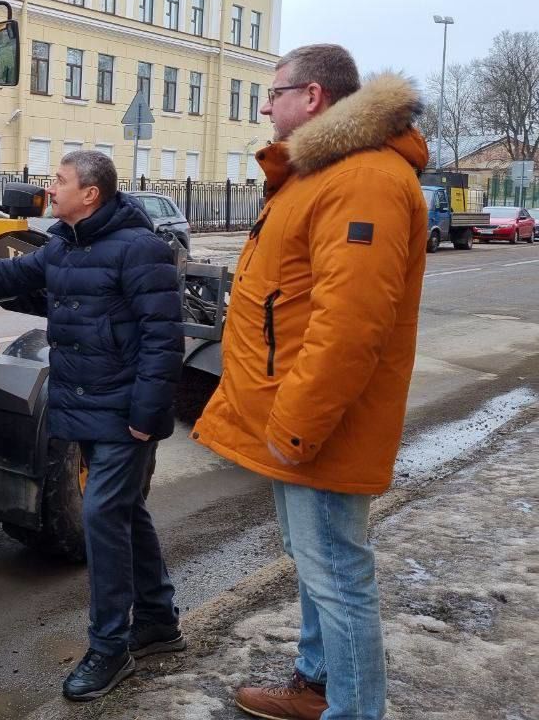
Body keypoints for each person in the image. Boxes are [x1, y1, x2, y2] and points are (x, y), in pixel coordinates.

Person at [192, 46, 428, 720]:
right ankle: (318, 682)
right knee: (314, 558)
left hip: (318, 422)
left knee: (337, 571)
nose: (266, 106)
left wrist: (296, 425)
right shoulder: (320, 174)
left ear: (315, 97)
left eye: (275, 92)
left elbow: (351, 325)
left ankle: (353, 709)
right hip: (294, 415)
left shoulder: (365, 181)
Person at [0, 150, 184, 702]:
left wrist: (146, 418)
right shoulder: (64, 243)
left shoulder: (142, 250)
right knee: (125, 511)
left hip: (124, 410)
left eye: (59, 180)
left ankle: (111, 647)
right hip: (82, 400)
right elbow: (8, 270)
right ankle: (158, 619)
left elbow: (163, 340)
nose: (48, 187)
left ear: (91, 194)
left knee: (102, 511)